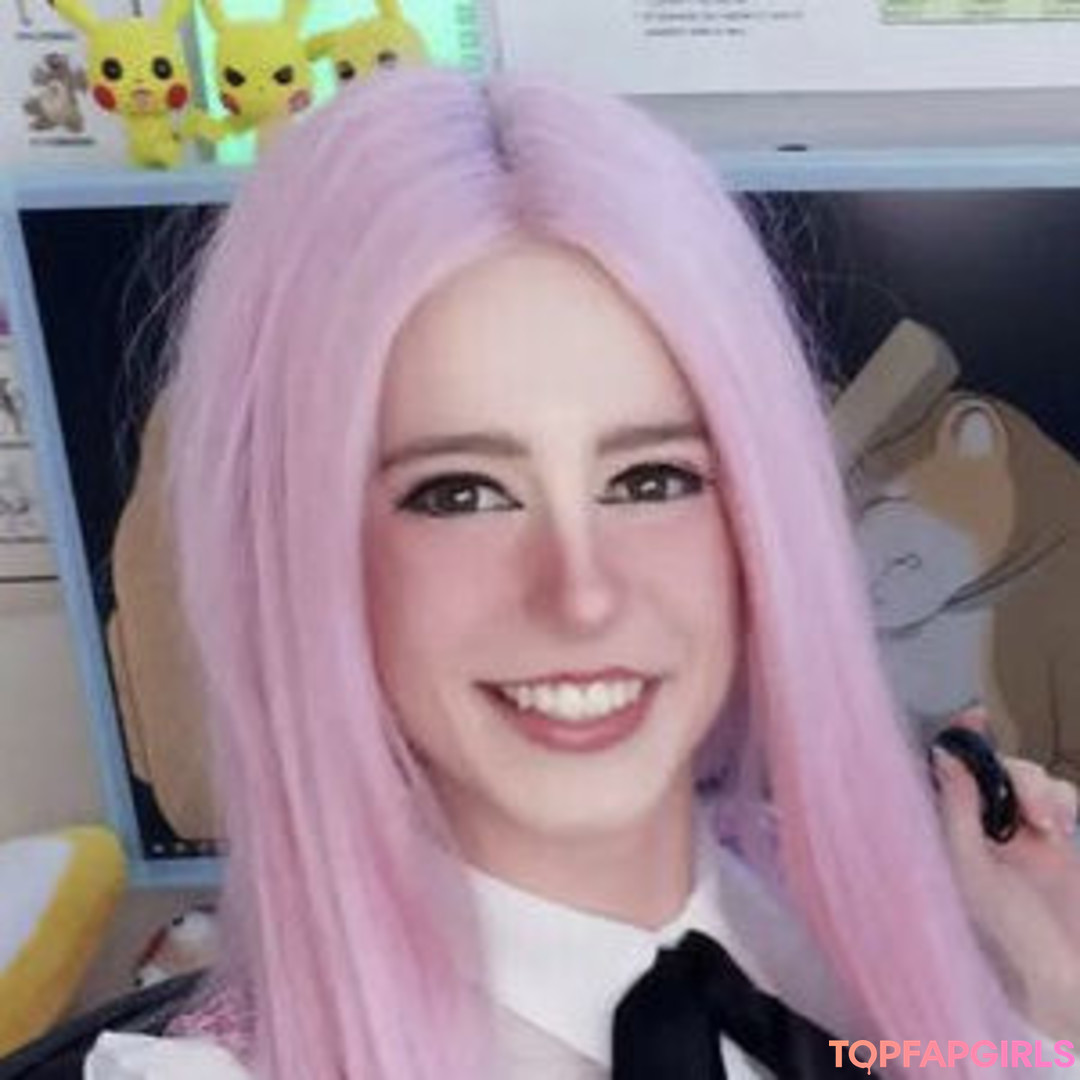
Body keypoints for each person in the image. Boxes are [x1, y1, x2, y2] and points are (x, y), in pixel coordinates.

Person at [84, 69, 1079, 1079]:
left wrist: (1049, 1001)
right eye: (460, 493)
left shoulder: (908, 934)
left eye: (652, 480)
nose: (584, 594)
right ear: (308, 555)